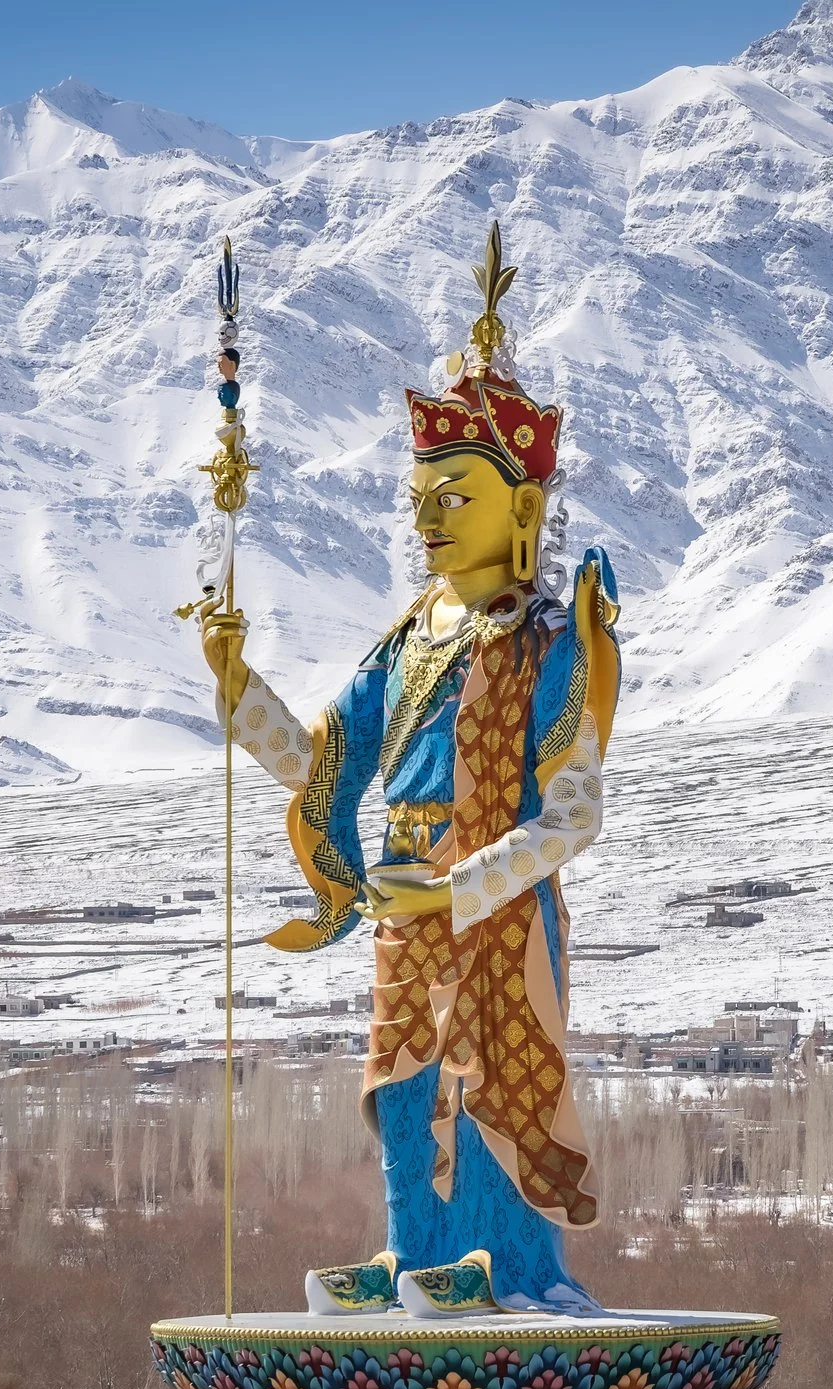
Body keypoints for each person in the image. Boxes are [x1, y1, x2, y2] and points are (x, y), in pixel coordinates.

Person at [196, 224, 621, 1316]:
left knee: (491, 1080)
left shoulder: (550, 643)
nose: (428, 517)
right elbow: (323, 764)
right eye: (422, 495)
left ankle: (501, 1264)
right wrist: (237, 685)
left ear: (523, 508)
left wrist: (459, 885)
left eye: (456, 495)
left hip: (495, 908)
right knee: (402, 1082)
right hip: (403, 894)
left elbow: (571, 815)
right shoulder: (406, 642)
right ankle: (408, 1249)